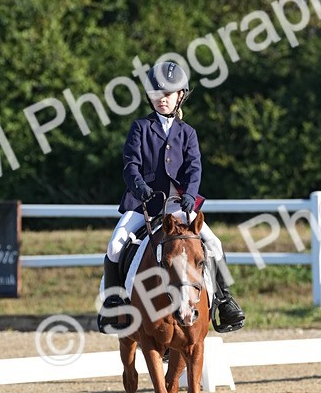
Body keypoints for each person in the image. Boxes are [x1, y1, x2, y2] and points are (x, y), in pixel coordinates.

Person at [98, 59, 245, 333]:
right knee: (115, 245)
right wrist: (139, 188)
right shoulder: (140, 127)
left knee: (214, 243)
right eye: (156, 94)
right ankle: (115, 304)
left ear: (180, 96)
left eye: (166, 94)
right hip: (144, 204)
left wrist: (189, 194)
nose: (161, 100)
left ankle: (225, 301)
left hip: (179, 204)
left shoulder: (188, 133)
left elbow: (194, 167)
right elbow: (130, 165)